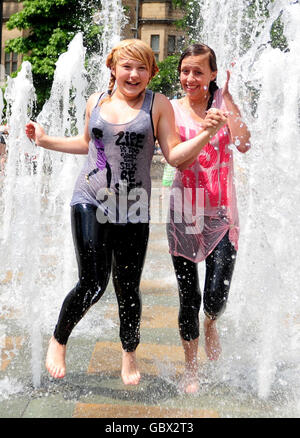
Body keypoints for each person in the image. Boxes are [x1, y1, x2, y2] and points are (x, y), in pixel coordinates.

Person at [25, 39, 228, 385]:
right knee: (92, 281)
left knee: (128, 288)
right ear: (113, 69)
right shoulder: (97, 101)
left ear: (151, 72)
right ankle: (59, 340)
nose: (133, 74)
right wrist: (45, 141)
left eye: (142, 68)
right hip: (90, 197)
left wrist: (208, 132)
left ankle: (129, 353)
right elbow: (86, 144)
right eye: (126, 67)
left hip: (133, 207)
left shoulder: (157, 105)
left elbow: (177, 156)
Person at [166, 43, 251, 393]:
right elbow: (176, 160)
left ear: (212, 74)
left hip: (221, 215)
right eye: (185, 71)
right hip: (183, 212)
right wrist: (205, 132)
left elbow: (244, 143)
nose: (190, 78)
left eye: (198, 72)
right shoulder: (170, 110)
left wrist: (228, 101)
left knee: (214, 297)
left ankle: (212, 322)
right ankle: (191, 370)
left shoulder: (223, 107)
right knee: (189, 297)